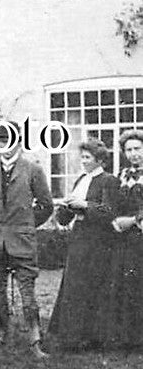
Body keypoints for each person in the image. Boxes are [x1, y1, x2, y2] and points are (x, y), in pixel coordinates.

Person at [0, 122, 53, 357]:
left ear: (17, 140)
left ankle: (35, 341)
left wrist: (26, 225)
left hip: (22, 242)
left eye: (7, 139)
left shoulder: (32, 170)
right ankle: (1, 334)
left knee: (27, 292)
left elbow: (46, 205)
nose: (3, 145)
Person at [47, 139, 121, 351]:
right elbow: (66, 216)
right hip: (79, 239)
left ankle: (92, 338)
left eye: (87, 158)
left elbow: (109, 211)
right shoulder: (81, 179)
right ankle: (72, 336)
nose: (83, 161)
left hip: (99, 242)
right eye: (82, 157)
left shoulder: (109, 181)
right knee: (74, 286)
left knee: (93, 287)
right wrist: (66, 208)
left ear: (99, 160)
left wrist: (85, 205)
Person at [105, 130, 143, 349]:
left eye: (137, 148)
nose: (133, 154)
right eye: (129, 150)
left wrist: (132, 220)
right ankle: (129, 339)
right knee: (127, 285)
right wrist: (114, 220)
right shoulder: (123, 175)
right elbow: (113, 204)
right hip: (125, 240)